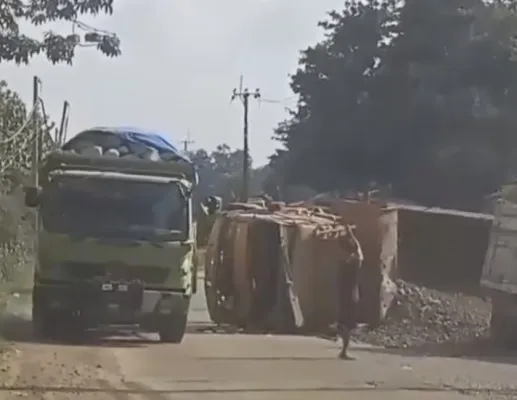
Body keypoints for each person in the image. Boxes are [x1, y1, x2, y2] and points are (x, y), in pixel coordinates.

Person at [336, 224, 364, 360]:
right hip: (351, 296)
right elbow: (358, 250)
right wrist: (351, 233)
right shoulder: (354, 263)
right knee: (348, 324)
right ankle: (344, 351)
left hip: (344, 295)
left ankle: (343, 349)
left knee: (345, 323)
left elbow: (356, 249)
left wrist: (349, 233)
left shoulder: (344, 263)